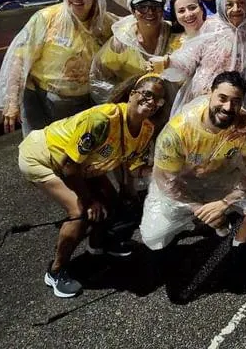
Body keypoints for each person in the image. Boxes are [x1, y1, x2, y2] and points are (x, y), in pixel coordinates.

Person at [18, 73, 167, 297]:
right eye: (146, 94)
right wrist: (90, 200)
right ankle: (56, 271)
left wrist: (163, 174)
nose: (151, 102)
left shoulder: (145, 130)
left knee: (114, 203)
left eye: (158, 99)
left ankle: (99, 245)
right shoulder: (102, 120)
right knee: (79, 213)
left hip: (85, 164)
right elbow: (68, 167)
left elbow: (132, 168)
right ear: (132, 93)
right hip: (44, 156)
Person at [140, 72, 246, 265]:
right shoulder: (179, 129)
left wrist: (224, 203)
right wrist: (201, 210)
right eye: (222, 98)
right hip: (183, 187)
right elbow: (167, 181)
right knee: (154, 235)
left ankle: (239, 245)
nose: (228, 107)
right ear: (210, 93)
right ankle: (178, 245)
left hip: (220, 183)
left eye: (236, 101)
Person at [0, 0, 116, 136]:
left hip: (79, 102)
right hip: (38, 98)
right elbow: (19, 59)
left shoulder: (105, 24)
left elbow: (130, 35)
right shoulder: (46, 18)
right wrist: (11, 101)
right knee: (38, 149)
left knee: (71, 152)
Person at [150, 0, 246, 114]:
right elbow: (189, 56)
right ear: (221, 4)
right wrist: (168, 62)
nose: (236, 9)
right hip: (203, 99)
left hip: (238, 101)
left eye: (241, 3)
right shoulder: (211, 26)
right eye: (229, 4)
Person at [90, 0, 179, 104]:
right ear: (133, 11)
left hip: (167, 103)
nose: (150, 12)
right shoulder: (121, 43)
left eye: (155, 7)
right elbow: (100, 76)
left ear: (162, 10)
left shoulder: (174, 36)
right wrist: (122, 101)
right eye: (142, 8)